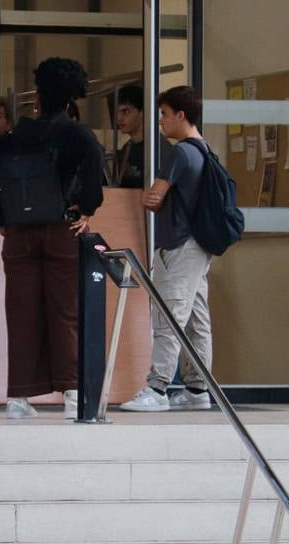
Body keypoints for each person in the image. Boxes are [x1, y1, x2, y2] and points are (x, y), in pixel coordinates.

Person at [0, 57, 105, 420]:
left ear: (38, 99)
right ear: (68, 101)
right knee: (66, 313)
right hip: (62, 231)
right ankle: (74, 394)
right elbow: (94, 173)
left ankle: (18, 398)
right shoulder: (77, 134)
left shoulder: (13, 138)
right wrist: (87, 208)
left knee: (21, 315)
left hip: (17, 236)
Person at [120, 85, 214, 413]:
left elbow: (152, 197)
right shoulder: (205, 151)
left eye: (163, 114)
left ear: (181, 115)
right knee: (195, 317)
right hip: (199, 247)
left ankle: (158, 388)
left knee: (169, 316)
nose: (160, 121)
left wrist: (154, 195)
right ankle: (197, 388)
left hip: (178, 244)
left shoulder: (181, 153)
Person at [112, 85, 146, 188]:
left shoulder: (156, 150)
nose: (119, 118)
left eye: (126, 112)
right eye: (117, 112)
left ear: (142, 113)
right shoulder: (126, 148)